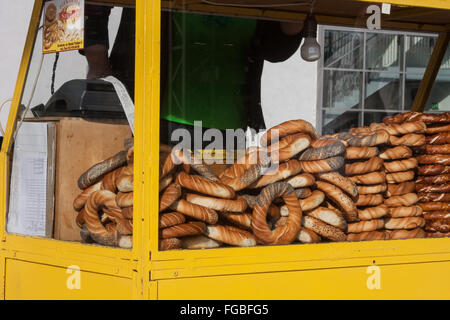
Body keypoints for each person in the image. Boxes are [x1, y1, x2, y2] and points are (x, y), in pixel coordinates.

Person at [80, 5, 303, 149]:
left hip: (230, 124)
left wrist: (298, 14)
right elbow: (93, 6)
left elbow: (276, 49)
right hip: (152, 114)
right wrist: (97, 57)